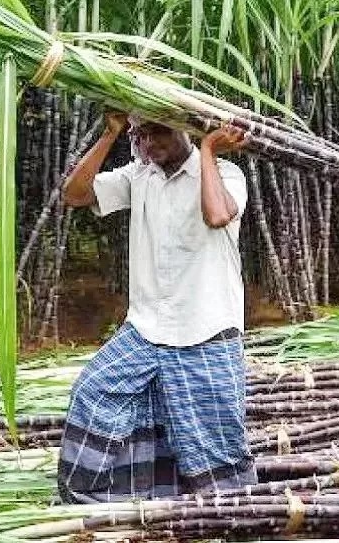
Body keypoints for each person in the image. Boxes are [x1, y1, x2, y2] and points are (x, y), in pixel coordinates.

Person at [56, 111, 255, 503]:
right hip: (147, 329)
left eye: (158, 132)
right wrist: (111, 134)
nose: (149, 144)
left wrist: (210, 150)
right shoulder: (139, 176)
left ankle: (230, 514)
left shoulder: (225, 174)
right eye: (140, 135)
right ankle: (107, 503)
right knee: (93, 393)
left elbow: (217, 215)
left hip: (206, 330)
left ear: (186, 130)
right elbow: (74, 195)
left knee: (213, 442)